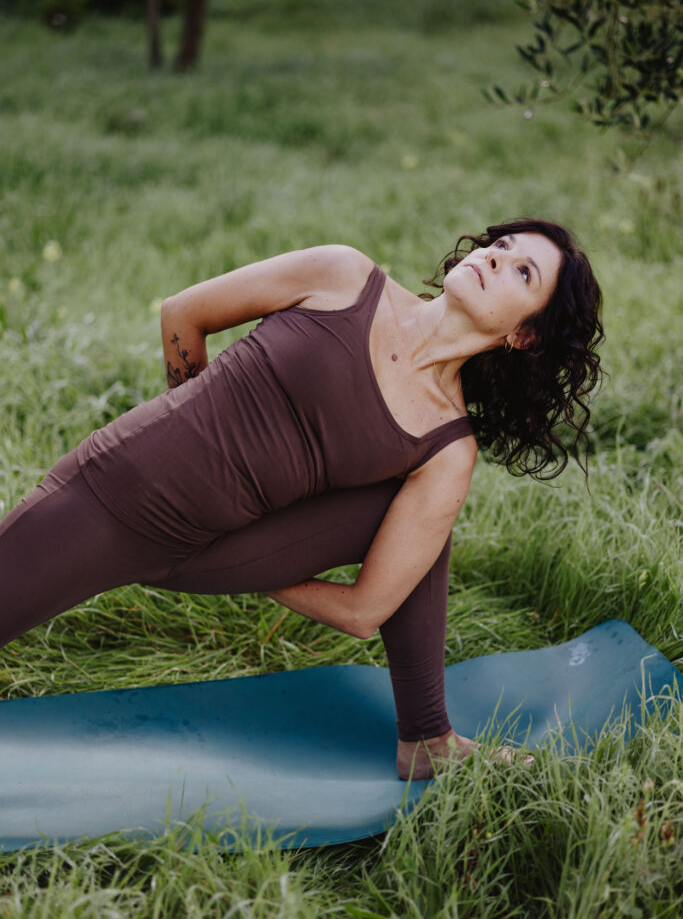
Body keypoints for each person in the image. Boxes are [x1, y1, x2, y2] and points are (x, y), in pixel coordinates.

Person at [0, 218, 604, 778]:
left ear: (524, 335)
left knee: (422, 535)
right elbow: (183, 314)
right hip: (111, 497)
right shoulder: (344, 276)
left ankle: (427, 740)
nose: (498, 259)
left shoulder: (447, 448)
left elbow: (365, 612)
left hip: (211, 550)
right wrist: (188, 427)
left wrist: (247, 561)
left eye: (525, 272)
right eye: (501, 246)